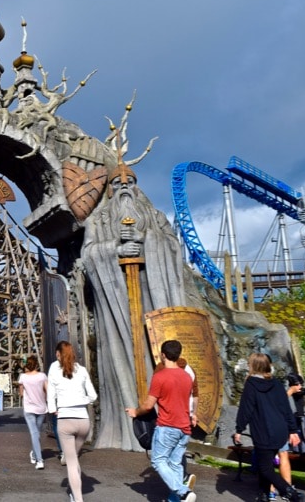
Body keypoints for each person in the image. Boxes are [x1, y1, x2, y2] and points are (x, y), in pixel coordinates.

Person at [83, 161, 186, 451]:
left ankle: (166, 428)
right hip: (117, 302)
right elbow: (88, 254)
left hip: (153, 294)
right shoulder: (98, 220)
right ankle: (129, 426)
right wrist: (115, 250)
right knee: (123, 353)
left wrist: (146, 240)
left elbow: (172, 246)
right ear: (110, 189)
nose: (124, 187)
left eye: (130, 182)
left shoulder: (154, 216)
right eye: (117, 183)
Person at [126, 340, 196, 502]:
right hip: (184, 428)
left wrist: (135, 412)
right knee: (175, 464)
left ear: (163, 355)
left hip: (167, 426)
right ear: (178, 355)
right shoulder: (187, 377)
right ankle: (175, 499)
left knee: (158, 461)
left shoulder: (160, 377)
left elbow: (149, 405)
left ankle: (183, 492)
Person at [234, 353, 305, 502]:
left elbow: (245, 409)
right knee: (266, 464)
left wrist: (239, 429)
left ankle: (291, 494)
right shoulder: (277, 384)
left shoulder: (251, 385)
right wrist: (292, 430)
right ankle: (264, 496)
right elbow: (286, 408)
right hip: (280, 430)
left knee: (265, 468)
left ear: (253, 366)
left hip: (263, 430)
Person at [47, 341, 97, 502]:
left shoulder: (54, 370)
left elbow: (50, 394)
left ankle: (78, 498)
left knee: (71, 462)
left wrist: (53, 408)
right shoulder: (81, 370)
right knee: (74, 457)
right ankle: (67, 461)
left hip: (65, 420)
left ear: (57, 354)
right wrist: (81, 400)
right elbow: (93, 396)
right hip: (83, 421)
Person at [154, 356, 199, 491]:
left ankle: (182, 489)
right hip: (186, 417)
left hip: (169, 418)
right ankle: (177, 494)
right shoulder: (190, 371)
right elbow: (195, 395)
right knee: (176, 457)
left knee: (160, 459)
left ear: (164, 354)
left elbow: (155, 393)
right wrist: (194, 414)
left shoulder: (162, 369)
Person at [19, 355, 49, 470]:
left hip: (29, 407)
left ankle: (34, 453)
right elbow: (47, 390)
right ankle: (40, 460)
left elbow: (21, 393)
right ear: (36, 364)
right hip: (41, 407)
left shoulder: (23, 377)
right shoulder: (42, 376)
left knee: (35, 433)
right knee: (36, 433)